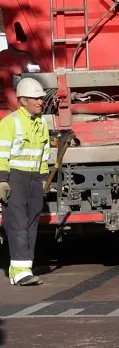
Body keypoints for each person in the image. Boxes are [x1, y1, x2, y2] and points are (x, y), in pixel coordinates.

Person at [0, 78, 50, 286]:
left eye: (41, 98)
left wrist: (44, 179)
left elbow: (44, 154)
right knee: (18, 224)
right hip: (15, 178)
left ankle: (22, 267)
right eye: (36, 98)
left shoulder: (42, 123)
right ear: (22, 101)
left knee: (31, 224)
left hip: (34, 179)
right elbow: (1, 153)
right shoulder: (9, 123)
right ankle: (21, 272)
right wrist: (2, 181)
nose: (41, 101)